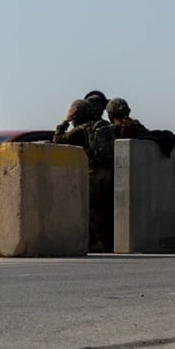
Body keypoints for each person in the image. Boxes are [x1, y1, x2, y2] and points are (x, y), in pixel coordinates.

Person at [54, 98, 116, 252]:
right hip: (108, 172)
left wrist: (65, 121)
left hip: (92, 173)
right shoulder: (103, 126)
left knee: (90, 209)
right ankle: (107, 242)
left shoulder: (81, 129)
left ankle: (95, 242)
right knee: (104, 208)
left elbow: (58, 140)